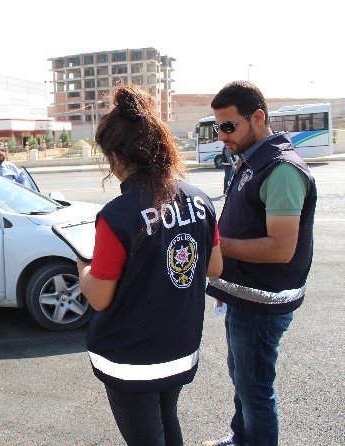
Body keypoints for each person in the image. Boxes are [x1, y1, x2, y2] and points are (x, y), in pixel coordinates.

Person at [76, 84, 223, 446]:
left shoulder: (117, 216)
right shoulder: (200, 200)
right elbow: (214, 267)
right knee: (167, 423)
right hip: (179, 349)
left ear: (116, 156)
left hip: (132, 360)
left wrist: (82, 267)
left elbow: (99, 298)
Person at [203, 81, 317, 446]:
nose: (222, 136)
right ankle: (241, 438)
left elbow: (281, 249)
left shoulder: (281, 169)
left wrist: (217, 245)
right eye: (217, 127)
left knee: (254, 389)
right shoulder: (253, 160)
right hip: (245, 296)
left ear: (258, 118)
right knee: (242, 378)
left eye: (229, 126)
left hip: (263, 304)